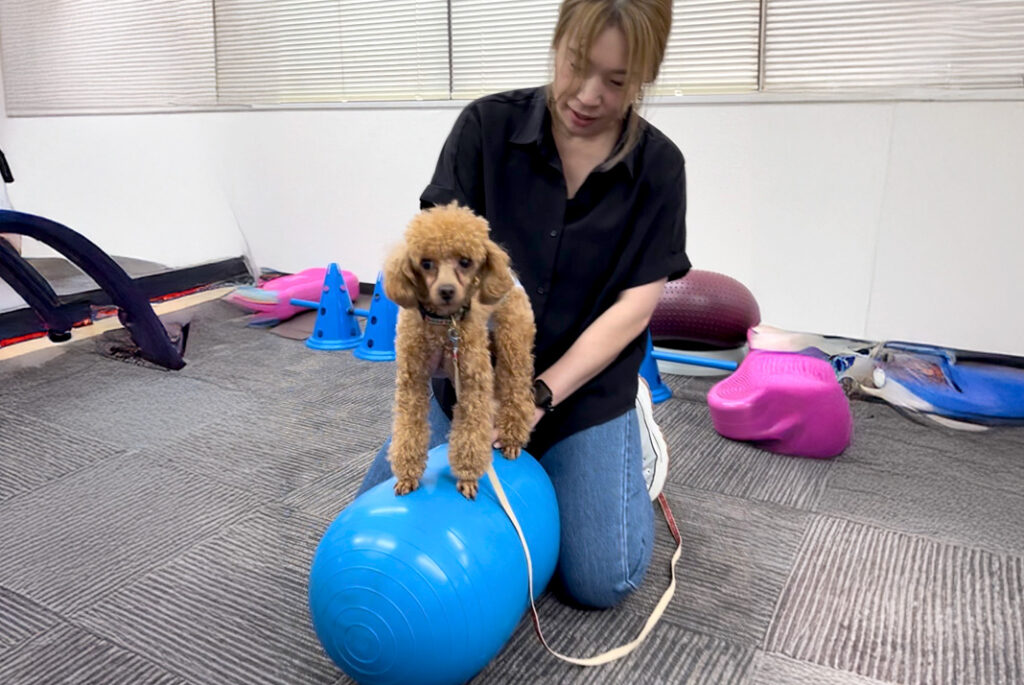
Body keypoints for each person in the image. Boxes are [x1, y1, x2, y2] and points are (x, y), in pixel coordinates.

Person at [358, 0, 689, 609]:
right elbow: (434, 265)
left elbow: (634, 310)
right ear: (558, 41)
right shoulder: (485, 128)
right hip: (472, 373)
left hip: (585, 388)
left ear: (643, 78)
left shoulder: (660, 169)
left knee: (599, 580)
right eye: (575, 65)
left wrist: (536, 397)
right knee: (373, 526)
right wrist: (459, 379)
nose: (587, 95)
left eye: (616, 82)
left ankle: (631, 435)